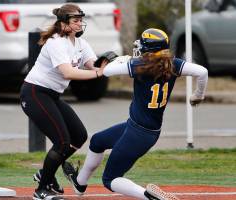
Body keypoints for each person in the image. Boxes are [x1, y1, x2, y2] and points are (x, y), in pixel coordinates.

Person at [62, 28, 208, 200]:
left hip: (139, 132)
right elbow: (202, 72)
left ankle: (149, 196)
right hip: (142, 128)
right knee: (97, 141)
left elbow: (107, 72)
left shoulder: (139, 66)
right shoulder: (173, 64)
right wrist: (198, 95)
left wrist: (122, 60)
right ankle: (79, 183)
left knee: (110, 179)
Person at [19, 3, 107, 200]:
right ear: (63, 23)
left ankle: (46, 173)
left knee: (79, 136)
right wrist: (98, 73)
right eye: (75, 21)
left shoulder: (81, 44)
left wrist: (110, 63)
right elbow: (68, 72)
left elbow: (93, 63)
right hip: (34, 93)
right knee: (61, 142)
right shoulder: (56, 42)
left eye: (80, 20)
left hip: (52, 95)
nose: (79, 24)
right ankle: (42, 189)